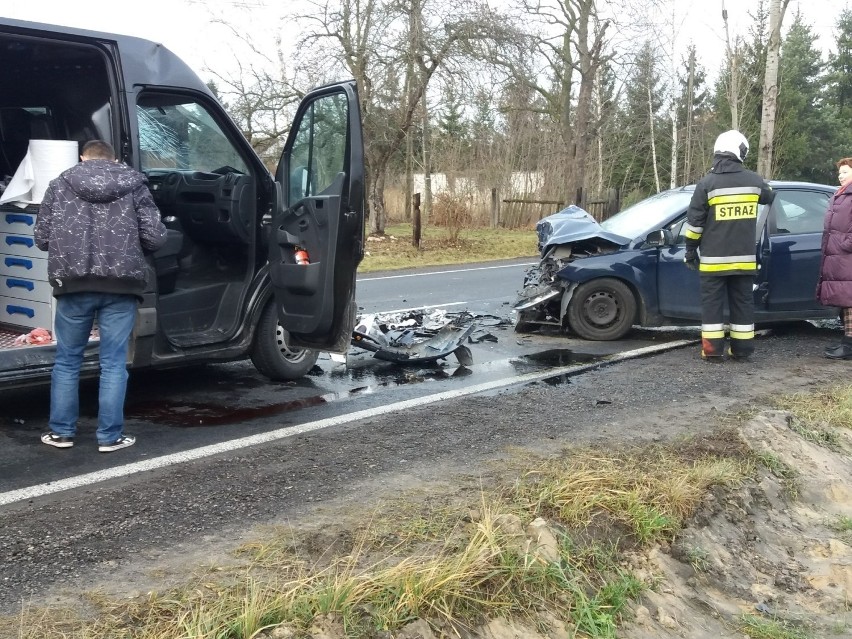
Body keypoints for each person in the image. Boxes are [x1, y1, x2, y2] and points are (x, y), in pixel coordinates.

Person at [34, 139, 166, 451]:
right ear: (115, 159)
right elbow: (155, 237)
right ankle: (110, 437)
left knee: (67, 361)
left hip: (73, 285)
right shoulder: (134, 185)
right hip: (121, 286)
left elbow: (41, 237)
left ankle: (61, 433)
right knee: (113, 363)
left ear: (83, 157)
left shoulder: (59, 184)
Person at [683, 130, 775, 361]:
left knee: (712, 307)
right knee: (743, 305)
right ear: (738, 151)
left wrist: (690, 251)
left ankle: (713, 352)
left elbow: (695, 224)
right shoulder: (754, 181)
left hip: (713, 262)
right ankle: (742, 351)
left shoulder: (707, 184)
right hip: (744, 261)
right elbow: (770, 196)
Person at [816, 157, 852, 359]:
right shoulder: (840, 195)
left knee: (849, 301)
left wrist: (845, 245)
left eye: (845, 172)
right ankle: (847, 344)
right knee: (846, 301)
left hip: (847, 256)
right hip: (840, 257)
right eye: (840, 172)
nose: (841, 176)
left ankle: (848, 347)